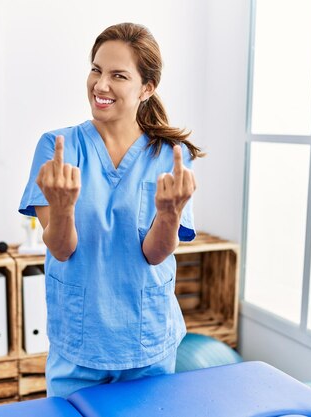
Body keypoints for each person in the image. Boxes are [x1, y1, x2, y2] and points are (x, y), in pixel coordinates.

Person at [18, 22, 204, 398]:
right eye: (96, 70)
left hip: (147, 342)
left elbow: (154, 253)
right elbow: (60, 248)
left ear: (146, 88)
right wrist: (63, 206)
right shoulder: (58, 148)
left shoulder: (170, 157)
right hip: (79, 347)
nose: (101, 85)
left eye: (118, 75)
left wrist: (169, 215)